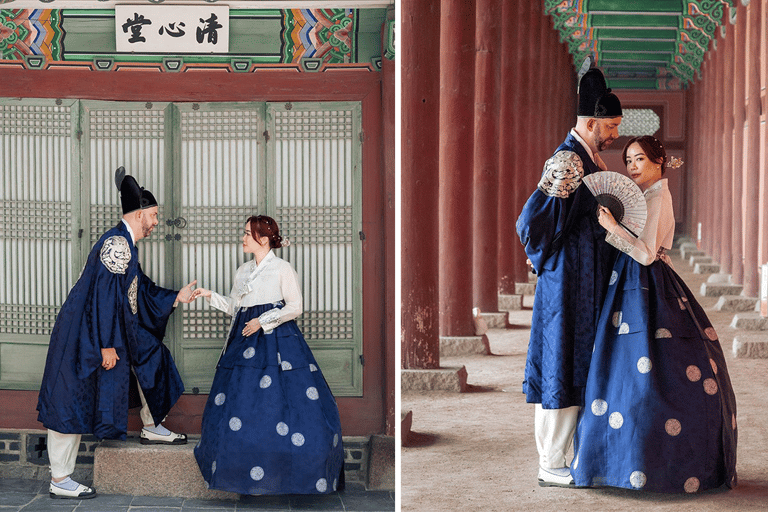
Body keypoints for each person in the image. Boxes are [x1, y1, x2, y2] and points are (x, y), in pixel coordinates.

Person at [571, 136, 737, 493]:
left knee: (645, 369)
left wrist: (613, 228)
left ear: (659, 161)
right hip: (635, 282)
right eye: (628, 160)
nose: (631, 167)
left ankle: (648, 464)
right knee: (631, 367)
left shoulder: (659, 196)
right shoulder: (649, 195)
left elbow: (646, 254)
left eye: (640, 159)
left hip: (647, 284)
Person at [37, 167, 199, 500]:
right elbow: (103, 297)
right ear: (138, 214)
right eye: (153, 215)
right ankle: (60, 478)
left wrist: (175, 297)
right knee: (70, 398)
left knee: (151, 355)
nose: (156, 222)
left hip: (101, 328)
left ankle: (152, 426)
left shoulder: (126, 243)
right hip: (83, 334)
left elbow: (140, 291)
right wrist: (107, 345)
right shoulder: (118, 245)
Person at [516, 67, 622, 487]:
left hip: (582, 279)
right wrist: (545, 261)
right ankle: (551, 462)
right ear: (592, 122)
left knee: (576, 362)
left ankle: (564, 456)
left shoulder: (587, 157)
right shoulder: (568, 160)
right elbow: (531, 222)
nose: (614, 135)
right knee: (561, 363)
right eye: (611, 127)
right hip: (567, 282)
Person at [192, 215, 344, 495]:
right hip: (244, 344)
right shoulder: (243, 271)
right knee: (241, 405)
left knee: (286, 404)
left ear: (263, 238)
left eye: (248, 234)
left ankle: (291, 474)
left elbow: (295, 306)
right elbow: (234, 308)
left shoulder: (282, 269)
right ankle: (240, 472)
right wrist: (207, 294)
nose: (243, 238)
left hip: (278, 344)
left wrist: (263, 321)